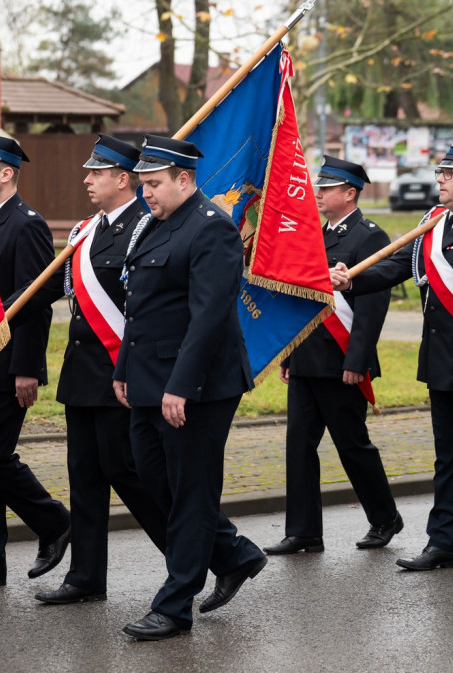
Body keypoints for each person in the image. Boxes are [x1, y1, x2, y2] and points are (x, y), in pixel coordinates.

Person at [330, 137, 453, 571]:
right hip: (439, 359)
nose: (440, 180)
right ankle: (445, 543)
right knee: (447, 454)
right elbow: (399, 267)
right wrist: (350, 282)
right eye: (440, 173)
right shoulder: (434, 221)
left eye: (450, 174)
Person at [113, 135, 267, 641]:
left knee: (191, 492)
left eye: (154, 184)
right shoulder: (154, 225)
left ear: (184, 179)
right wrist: (121, 370)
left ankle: (175, 604)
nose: (146, 193)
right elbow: (140, 308)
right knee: (151, 481)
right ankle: (234, 554)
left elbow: (208, 318)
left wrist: (181, 386)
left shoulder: (212, 230)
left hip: (198, 386)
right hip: (147, 379)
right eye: (142, 184)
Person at [5, 135, 167, 604]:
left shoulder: (146, 226)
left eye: (96, 173)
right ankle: (85, 577)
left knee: (130, 475)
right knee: (85, 479)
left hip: (121, 373)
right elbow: (46, 286)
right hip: (83, 375)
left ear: (123, 179)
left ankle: (194, 557)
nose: (87, 179)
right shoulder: (85, 231)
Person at [264, 157, 401, 556]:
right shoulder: (315, 235)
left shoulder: (369, 236)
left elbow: (373, 308)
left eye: (326, 188)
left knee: (352, 445)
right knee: (298, 446)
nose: (318, 194)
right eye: (318, 187)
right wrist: (290, 354)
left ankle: (385, 517)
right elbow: (303, 300)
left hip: (342, 361)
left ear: (350, 193)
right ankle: (304, 531)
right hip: (308, 358)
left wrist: (356, 361)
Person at [0, 131, 71, 588]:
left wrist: (27, 369)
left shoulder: (27, 225)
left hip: (5, 366)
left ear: (6, 173)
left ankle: (55, 522)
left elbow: (36, 302)